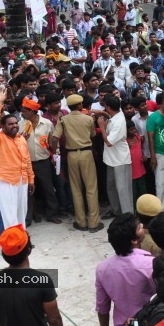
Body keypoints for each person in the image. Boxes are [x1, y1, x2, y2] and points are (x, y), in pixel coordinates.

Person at [96, 214, 156, 326]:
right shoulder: (150, 264)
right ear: (134, 240)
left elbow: (102, 308)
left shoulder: (102, 269)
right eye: (139, 226)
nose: (142, 225)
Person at [49, 93, 100, 232]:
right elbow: (93, 135)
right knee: (91, 188)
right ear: (79, 105)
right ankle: (94, 223)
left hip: (71, 155)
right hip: (86, 153)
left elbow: (54, 139)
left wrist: (54, 154)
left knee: (76, 189)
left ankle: (81, 222)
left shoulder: (63, 119)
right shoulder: (88, 118)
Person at [0, 85, 36, 229]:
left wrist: (31, 179)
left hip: (22, 179)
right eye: (10, 124)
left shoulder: (20, 139)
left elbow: (26, 160)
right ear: (2, 126)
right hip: (4, 180)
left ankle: (21, 241)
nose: (14, 126)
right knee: (10, 215)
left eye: (15, 123)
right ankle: (13, 246)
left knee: (21, 213)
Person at [19, 96, 60, 224]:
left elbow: (53, 141)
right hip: (27, 163)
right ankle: (28, 217)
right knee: (28, 191)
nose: (22, 113)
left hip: (43, 161)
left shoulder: (46, 124)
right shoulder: (20, 125)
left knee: (48, 189)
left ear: (31, 111)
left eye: (24, 111)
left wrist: (54, 156)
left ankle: (51, 214)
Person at [95, 95, 133, 217]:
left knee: (123, 190)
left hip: (120, 160)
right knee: (111, 187)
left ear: (109, 107)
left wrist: (101, 126)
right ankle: (117, 212)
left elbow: (109, 142)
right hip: (111, 160)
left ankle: (128, 216)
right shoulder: (116, 115)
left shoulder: (119, 121)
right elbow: (109, 116)